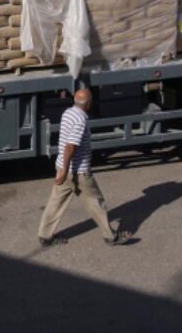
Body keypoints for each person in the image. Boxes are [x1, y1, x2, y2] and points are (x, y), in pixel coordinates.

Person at [38, 89, 131, 247]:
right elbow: (70, 147)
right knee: (96, 202)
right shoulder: (80, 120)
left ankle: (45, 236)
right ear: (88, 103)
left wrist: (62, 171)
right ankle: (111, 236)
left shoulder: (68, 112)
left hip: (61, 166)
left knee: (56, 202)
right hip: (77, 171)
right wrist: (66, 171)